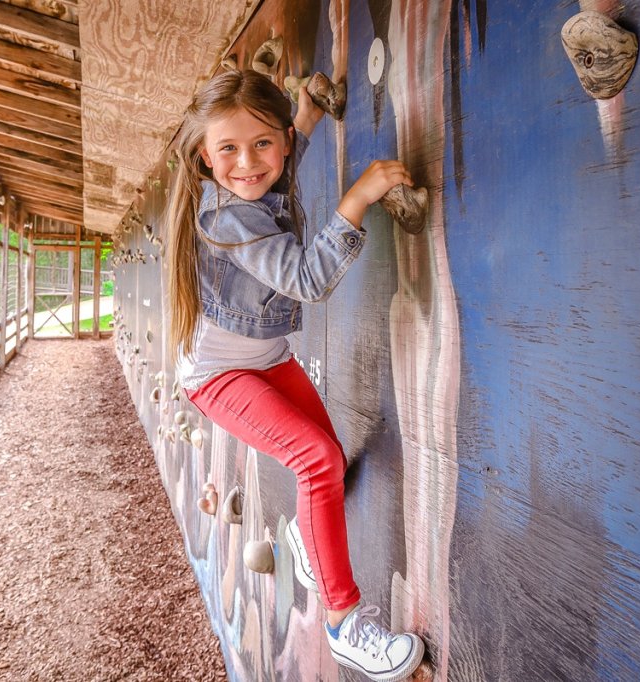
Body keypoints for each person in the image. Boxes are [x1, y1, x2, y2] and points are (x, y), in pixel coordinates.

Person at [166, 68, 425, 682]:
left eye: (262, 143)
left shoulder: (262, 168)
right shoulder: (228, 219)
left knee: (327, 459)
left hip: (267, 358)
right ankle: (344, 625)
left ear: (280, 140)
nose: (247, 162)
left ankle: (315, 546)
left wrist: (305, 113)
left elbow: (278, 158)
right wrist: (356, 199)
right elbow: (308, 281)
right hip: (217, 376)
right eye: (227, 148)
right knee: (316, 460)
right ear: (204, 158)